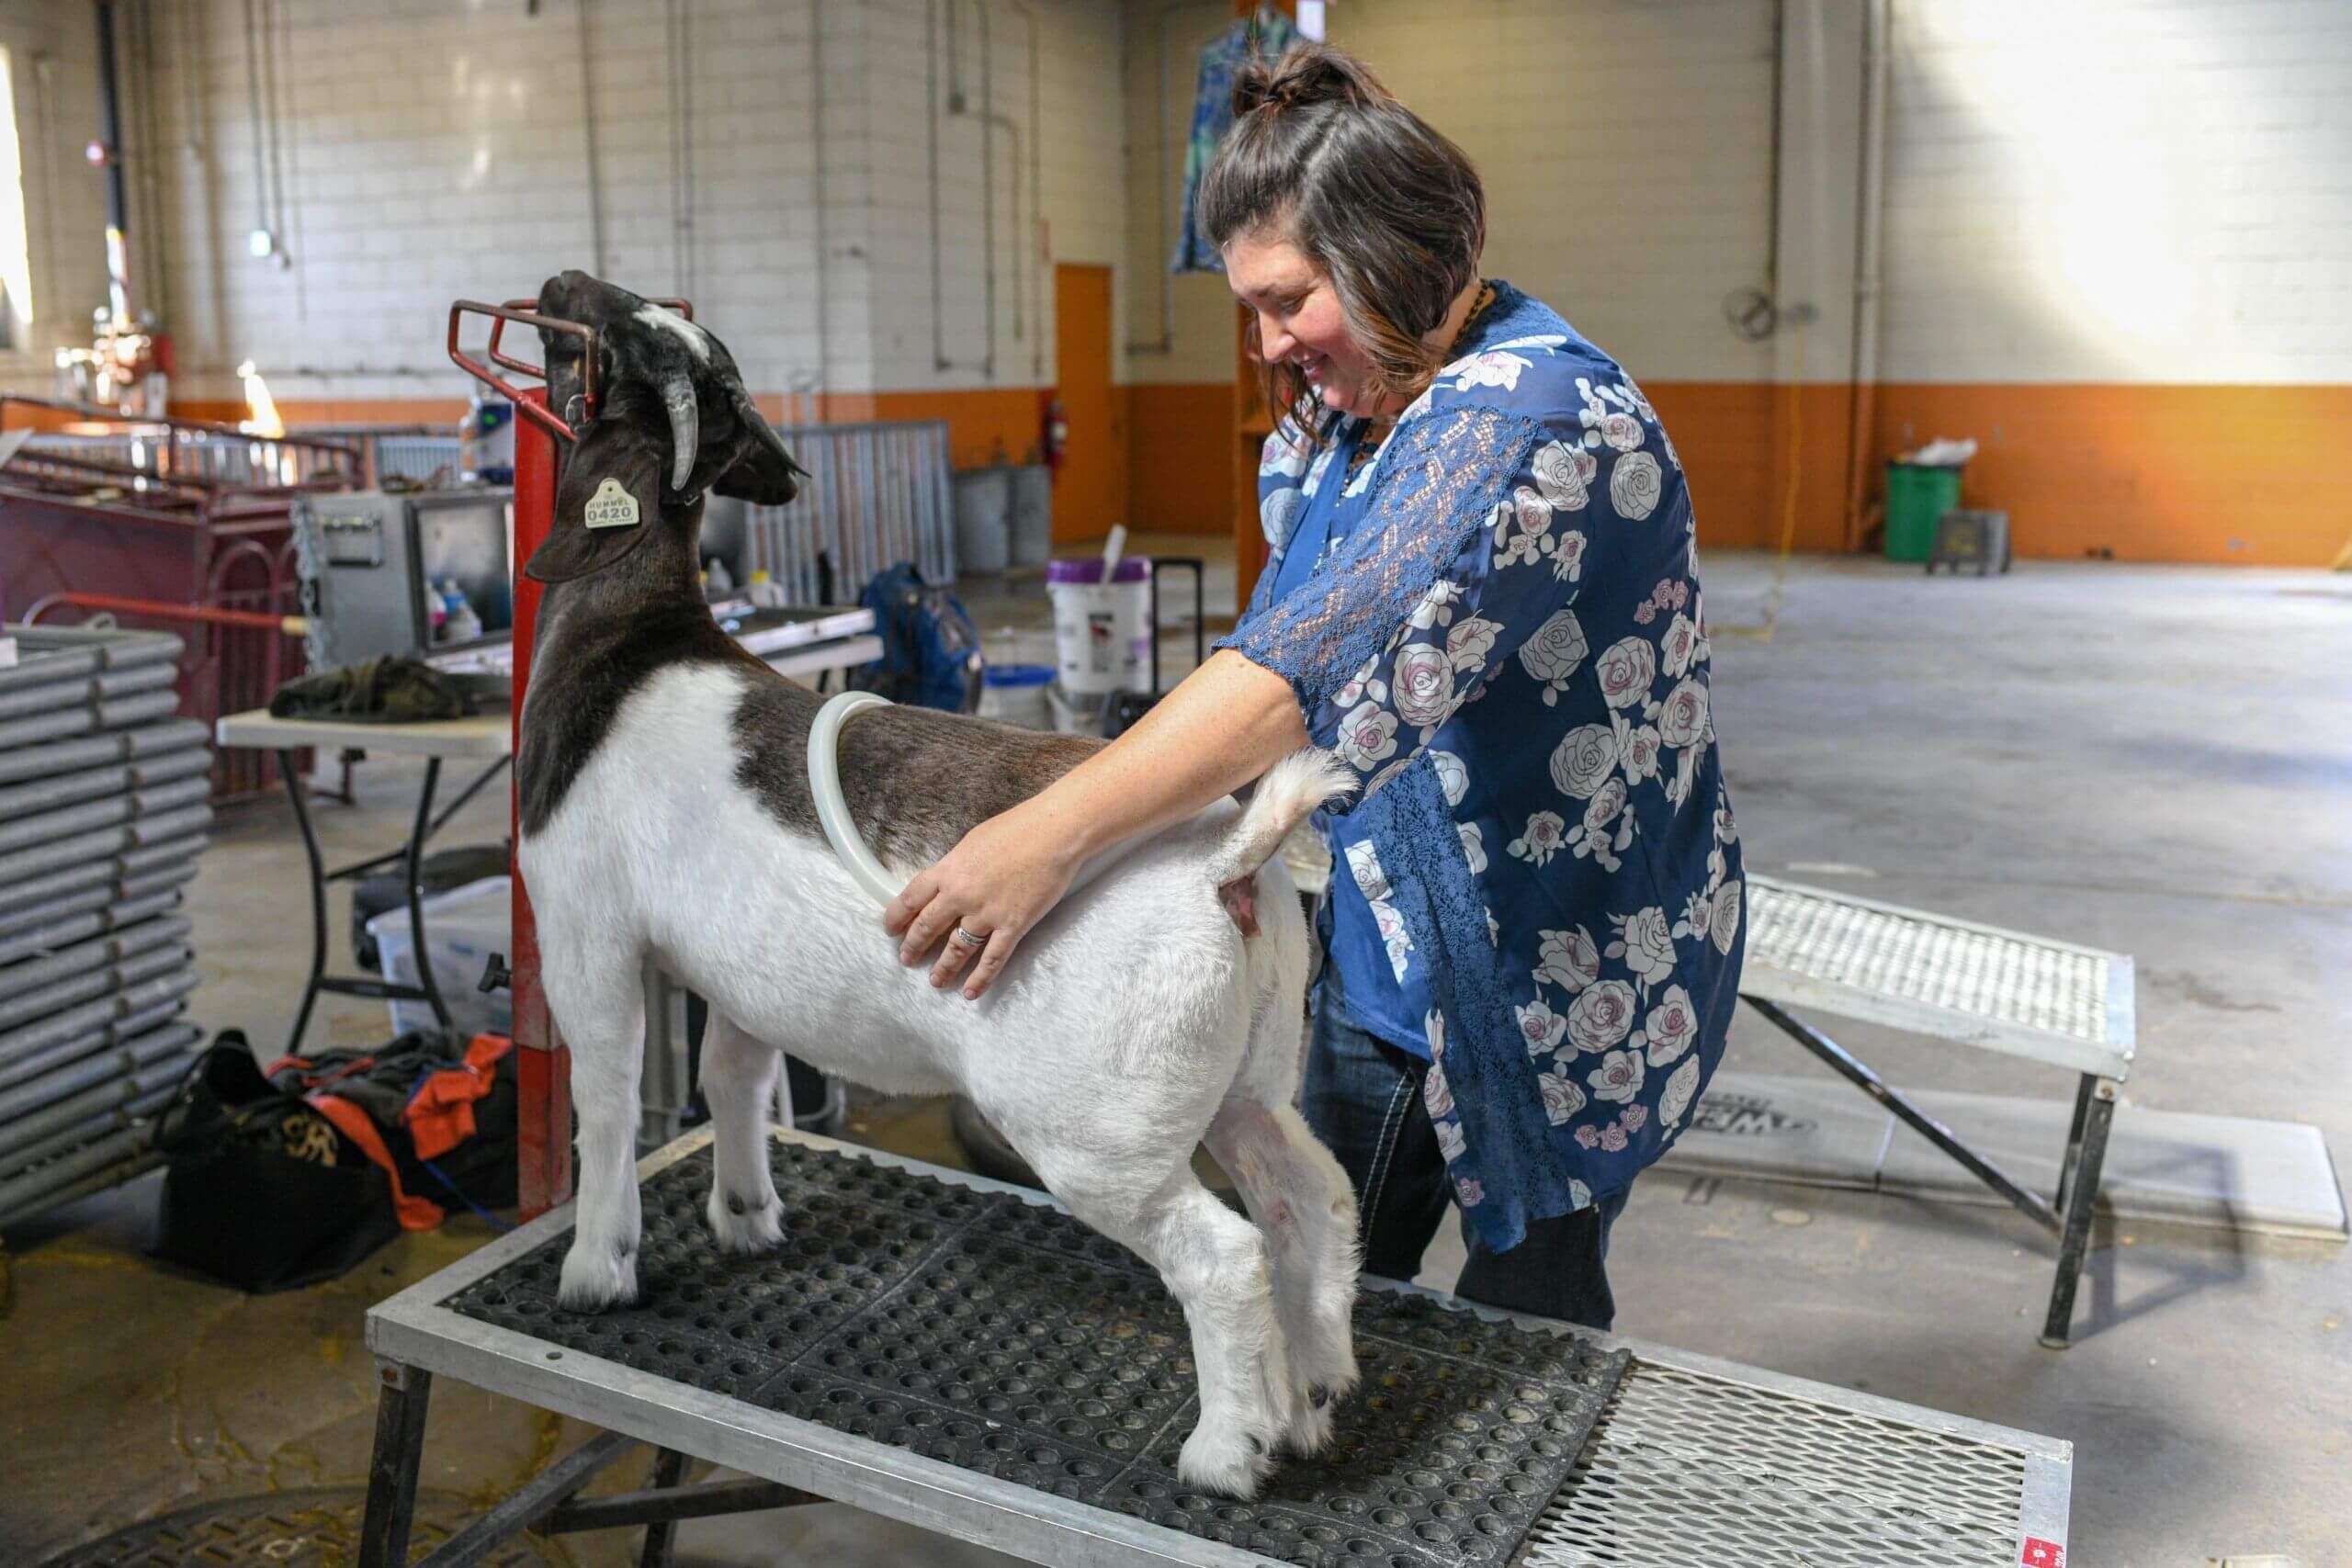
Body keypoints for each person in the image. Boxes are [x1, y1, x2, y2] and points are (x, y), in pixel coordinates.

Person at [884, 41, 1744, 1330]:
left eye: (1287, 301)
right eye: (1252, 309)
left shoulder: (1530, 420)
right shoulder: (1363, 406)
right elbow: (1271, 639)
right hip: (1386, 934)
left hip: (1560, 967)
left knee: (1527, 1326)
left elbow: (1306, 665)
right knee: (1321, 1280)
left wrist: (1045, 838)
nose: (1269, 344)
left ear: (1392, 259)